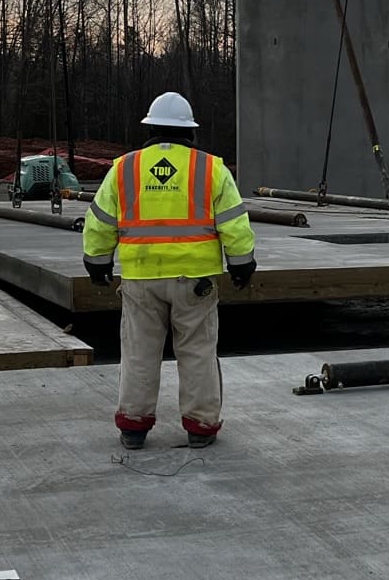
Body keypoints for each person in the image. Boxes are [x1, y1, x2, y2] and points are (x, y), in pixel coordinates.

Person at [81, 92, 257, 450]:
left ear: (150, 129)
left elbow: (99, 221)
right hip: (196, 280)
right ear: (190, 132)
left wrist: (97, 262)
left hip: (141, 279)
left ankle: (133, 426)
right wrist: (242, 264)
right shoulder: (211, 169)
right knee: (197, 352)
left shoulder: (125, 168)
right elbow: (234, 224)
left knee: (139, 353)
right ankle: (200, 426)